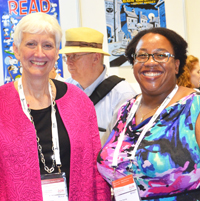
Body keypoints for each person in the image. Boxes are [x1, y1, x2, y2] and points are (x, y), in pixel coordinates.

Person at [0, 12, 110, 201]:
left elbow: (95, 168)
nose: (40, 53)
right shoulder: (2, 102)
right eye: (31, 44)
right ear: (16, 50)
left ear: (57, 52)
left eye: (48, 45)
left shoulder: (79, 101)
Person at [97, 27, 200, 200]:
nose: (150, 62)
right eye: (142, 55)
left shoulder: (194, 107)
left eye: (161, 55)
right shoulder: (125, 110)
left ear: (176, 65)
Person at [59, 27, 137, 143]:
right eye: (67, 56)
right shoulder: (65, 88)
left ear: (96, 58)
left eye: (75, 56)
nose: (68, 62)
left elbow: (127, 143)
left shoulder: (122, 95)